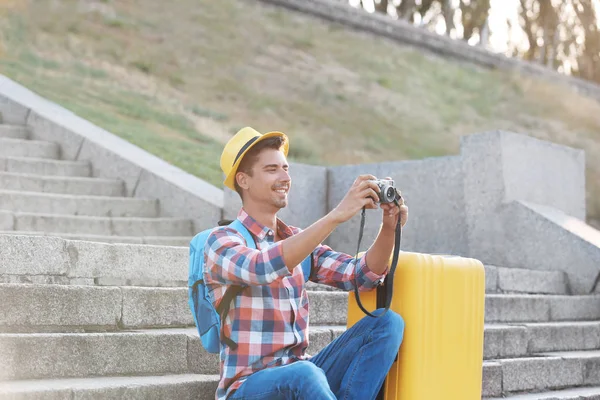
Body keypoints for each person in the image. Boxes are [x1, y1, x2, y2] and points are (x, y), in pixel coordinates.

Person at [204, 127, 409, 400]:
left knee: (386, 324)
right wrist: (336, 215)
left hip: (301, 376)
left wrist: (388, 227)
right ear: (243, 180)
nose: (285, 177)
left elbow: (361, 275)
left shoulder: (297, 240)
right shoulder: (222, 241)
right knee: (303, 374)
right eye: (272, 169)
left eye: (286, 168)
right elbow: (262, 267)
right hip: (248, 388)